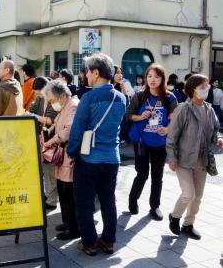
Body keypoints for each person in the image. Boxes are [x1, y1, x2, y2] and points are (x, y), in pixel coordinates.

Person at [67, 53, 126, 256]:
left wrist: (71, 152)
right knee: (108, 200)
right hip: (112, 157)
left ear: (96, 72)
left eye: (87, 72)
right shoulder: (121, 98)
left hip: (89, 158)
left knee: (84, 202)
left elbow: (77, 130)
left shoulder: (89, 97)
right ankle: (109, 241)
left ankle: (89, 243)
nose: (85, 76)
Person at [167, 74, 223, 240]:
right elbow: (172, 136)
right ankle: (175, 216)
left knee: (197, 197)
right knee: (188, 194)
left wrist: (219, 138)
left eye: (207, 86)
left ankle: (188, 224)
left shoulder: (209, 109)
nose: (206, 89)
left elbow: (214, 130)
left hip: (202, 160)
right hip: (184, 159)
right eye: (203, 86)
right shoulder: (183, 108)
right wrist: (171, 157)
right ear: (193, 90)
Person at [126, 64, 178, 221]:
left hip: (159, 143)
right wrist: (140, 117)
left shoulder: (170, 98)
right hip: (141, 142)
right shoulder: (139, 96)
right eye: (149, 76)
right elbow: (129, 115)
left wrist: (167, 129)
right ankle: (132, 200)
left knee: (157, 176)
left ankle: (154, 206)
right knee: (142, 173)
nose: (152, 80)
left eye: (156, 76)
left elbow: (175, 120)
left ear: (162, 79)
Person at [43, 80, 80, 240]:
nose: (52, 105)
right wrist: (48, 131)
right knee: (63, 191)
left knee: (68, 193)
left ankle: (73, 228)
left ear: (62, 95)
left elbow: (68, 131)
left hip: (69, 155)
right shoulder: (65, 106)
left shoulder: (73, 105)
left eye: (52, 101)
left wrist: (50, 141)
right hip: (62, 155)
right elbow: (57, 126)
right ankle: (67, 223)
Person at [28, 77, 58, 210]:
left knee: (50, 169)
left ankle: (52, 200)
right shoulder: (40, 98)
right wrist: (30, 110)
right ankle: (47, 194)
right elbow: (33, 108)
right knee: (43, 168)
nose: (38, 95)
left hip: (51, 139)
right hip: (42, 138)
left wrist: (36, 117)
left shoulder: (54, 99)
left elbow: (51, 120)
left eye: (39, 92)